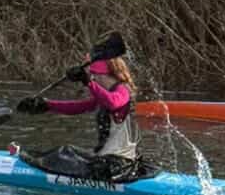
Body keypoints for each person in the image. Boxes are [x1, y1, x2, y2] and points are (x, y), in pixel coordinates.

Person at [8, 51, 148, 182]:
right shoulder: (106, 93)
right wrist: (46, 104)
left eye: (94, 75)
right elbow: (77, 107)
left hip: (117, 166)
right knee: (68, 150)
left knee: (61, 154)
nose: (93, 79)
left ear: (103, 75)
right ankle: (27, 156)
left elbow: (112, 102)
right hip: (109, 160)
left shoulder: (122, 91)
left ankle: (24, 160)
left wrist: (88, 81)